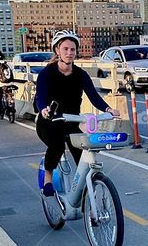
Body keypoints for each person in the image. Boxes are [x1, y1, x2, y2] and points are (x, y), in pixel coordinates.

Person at [35, 30, 120, 196]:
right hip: (49, 122)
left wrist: (109, 110)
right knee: (57, 145)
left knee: (82, 153)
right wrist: (44, 109)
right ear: (57, 51)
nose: (69, 53)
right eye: (65, 49)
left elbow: (94, 96)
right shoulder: (47, 73)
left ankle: (85, 190)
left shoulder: (81, 74)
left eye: (72, 49)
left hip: (71, 122)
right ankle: (48, 177)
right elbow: (40, 97)